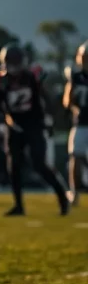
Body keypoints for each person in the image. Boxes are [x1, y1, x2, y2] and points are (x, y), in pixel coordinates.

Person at [0, 44, 69, 216]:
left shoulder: (32, 77)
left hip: (34, 124)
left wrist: (48, 120)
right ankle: (18, 205)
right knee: (14, 166)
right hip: (14, 126)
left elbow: (46, 99)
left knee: (39, 164)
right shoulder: (0, 81)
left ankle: (62, 198)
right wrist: (2, 121)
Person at [63, 41, 88, 205]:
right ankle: (74, 191)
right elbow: (67, 100)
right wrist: (74, 107)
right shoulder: (76, 76)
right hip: (80, 122)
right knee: (75, 156)